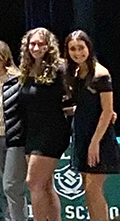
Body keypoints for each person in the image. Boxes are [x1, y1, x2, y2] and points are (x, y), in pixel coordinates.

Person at [65, 30, 120, 221]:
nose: (77, 52)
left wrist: (95, 142)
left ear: (89, 47)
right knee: (87, 191)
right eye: (73, 49)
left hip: (99, 138)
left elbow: (107, 111)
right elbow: (85, 105)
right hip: (82, 134)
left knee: (93, 189)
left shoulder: (101, 74)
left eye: (81, 48)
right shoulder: (77, 73)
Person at [17, 27, 68, 221]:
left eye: (40, 43)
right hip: (32, 132)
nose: (36, 47)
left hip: (52, 132)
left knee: (34, 183)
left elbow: (79, 91)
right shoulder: (27, 69)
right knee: (46, 185)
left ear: (49, 46)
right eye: (32, 43)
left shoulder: (60, 68)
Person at [0, 40, 28, 221]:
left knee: (12, 186)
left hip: (13, 139)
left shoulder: (17, 79)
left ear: (5, 57)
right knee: (3, 187)